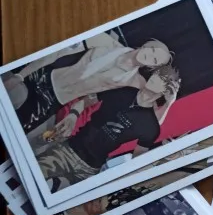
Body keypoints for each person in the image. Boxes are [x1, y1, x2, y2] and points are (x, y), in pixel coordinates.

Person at [3, 34, 177, 135]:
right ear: (147, 45)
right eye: (152, 50)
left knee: (10, 131)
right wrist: (20, 75)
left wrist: (170, 102)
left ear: (152, 67)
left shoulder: (134, 80)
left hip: (52, 103)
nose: (149, 56)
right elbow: (57, 53)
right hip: (43, 78)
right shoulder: (105, 41)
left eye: (155, 60)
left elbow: (153, 121)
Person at [32, 74, 180, 189]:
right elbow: (85, 101)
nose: (156, 77)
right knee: (31, 178)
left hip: (91, 169)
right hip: (69, 150)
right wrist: (73, 115)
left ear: (166, 90)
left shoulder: (151, 126)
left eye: (163, 79)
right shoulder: (124, 91)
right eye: (157, 74)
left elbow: (137, 161)